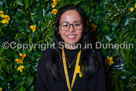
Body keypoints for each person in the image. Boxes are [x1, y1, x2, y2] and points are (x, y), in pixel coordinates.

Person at [36, 4, 106, 91]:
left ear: (83, 27)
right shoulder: (47, 57)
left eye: (76, 24)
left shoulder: (95, 56)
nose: (71, 29)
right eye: (65, 25)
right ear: (58, 29)